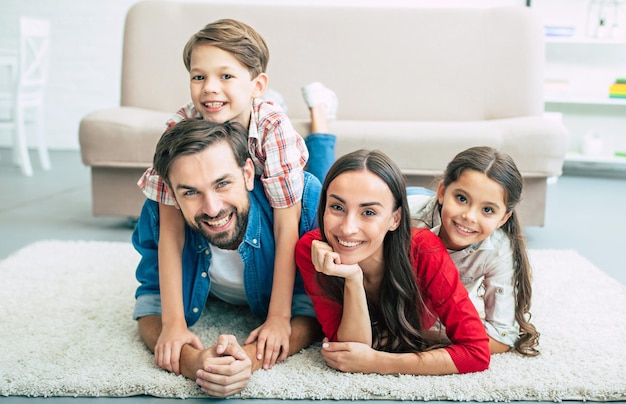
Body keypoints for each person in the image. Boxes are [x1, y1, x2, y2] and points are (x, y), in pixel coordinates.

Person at [135, 19, 336, 374]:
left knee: (316, 183)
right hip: (232, 170)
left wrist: (278, 317)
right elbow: (170, 230)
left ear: (257, 85)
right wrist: (174, 323)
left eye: (226, 77)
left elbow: (287, 225)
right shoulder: (180, 127)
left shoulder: (273, 128)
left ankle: (320, 118)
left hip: (270, 172)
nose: (210, 89)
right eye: (199, 77)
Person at [132, 119, 322, 397]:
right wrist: (194, 362)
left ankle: (320, 124)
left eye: (222, 184)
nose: (212, 208)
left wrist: (250, 359)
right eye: (190, 192)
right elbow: (150, 302)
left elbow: (312, 306)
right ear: (172, 194)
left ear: (247, 173)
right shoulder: (158, 213)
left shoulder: (304, 202)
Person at [295, 149, 491, 375]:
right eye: (337, 207)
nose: (347, 228)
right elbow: (347, 351)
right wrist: (352, 277)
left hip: (419, 202)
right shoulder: (311, 249)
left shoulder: (426, 250)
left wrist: (378, 362)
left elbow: (476, 352)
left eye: (368, 212)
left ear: (394, 219)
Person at [409, 146, 540, 356]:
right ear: (442, 192)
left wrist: (431, 333)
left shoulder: (497, 250)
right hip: (413, 198)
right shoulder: (407, 218)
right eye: (461, 198)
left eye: (487, 210)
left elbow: (502, 336)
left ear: (503, 218)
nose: (470, 216)